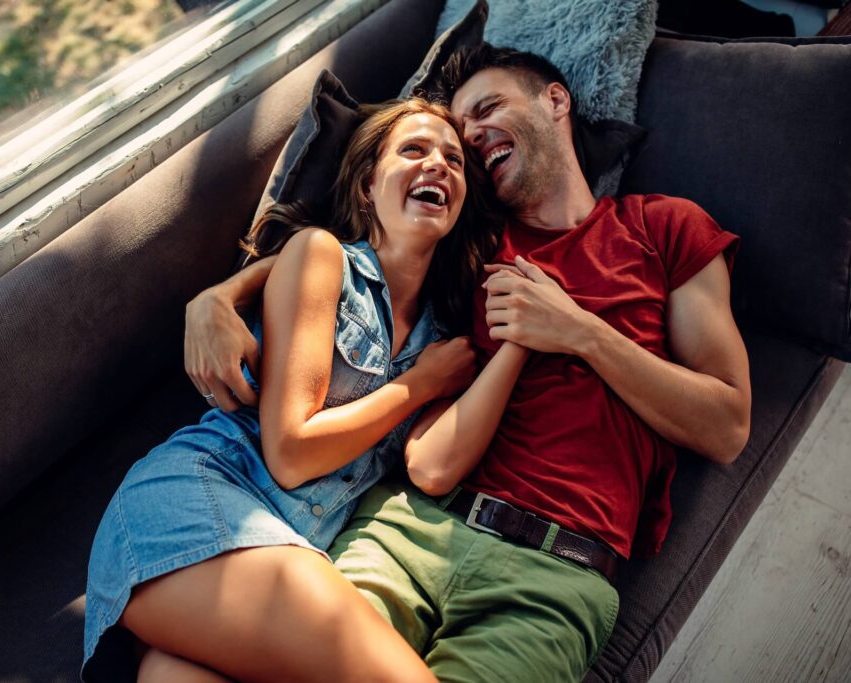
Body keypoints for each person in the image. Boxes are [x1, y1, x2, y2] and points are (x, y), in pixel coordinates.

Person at [184, 44, 752, 681]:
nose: (472, 137)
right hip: (405, 529)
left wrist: (581, 333)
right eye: (460, 133)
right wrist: (219, 295)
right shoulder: (465, 245)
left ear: (555, 101)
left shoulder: (661, 228)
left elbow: (727, 426)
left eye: (487, 109)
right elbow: (359, 254)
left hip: (552, 576)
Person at [83, 98, 530, 683]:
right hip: (201, 501)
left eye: (454, 161)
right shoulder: (322, 257)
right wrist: (420, 385)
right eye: (414, 150)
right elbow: (291, 453)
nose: (439, 165)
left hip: (284, 550)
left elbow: (434, 469)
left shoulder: (443, 339)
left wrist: (520, 341)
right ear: (368, 186)